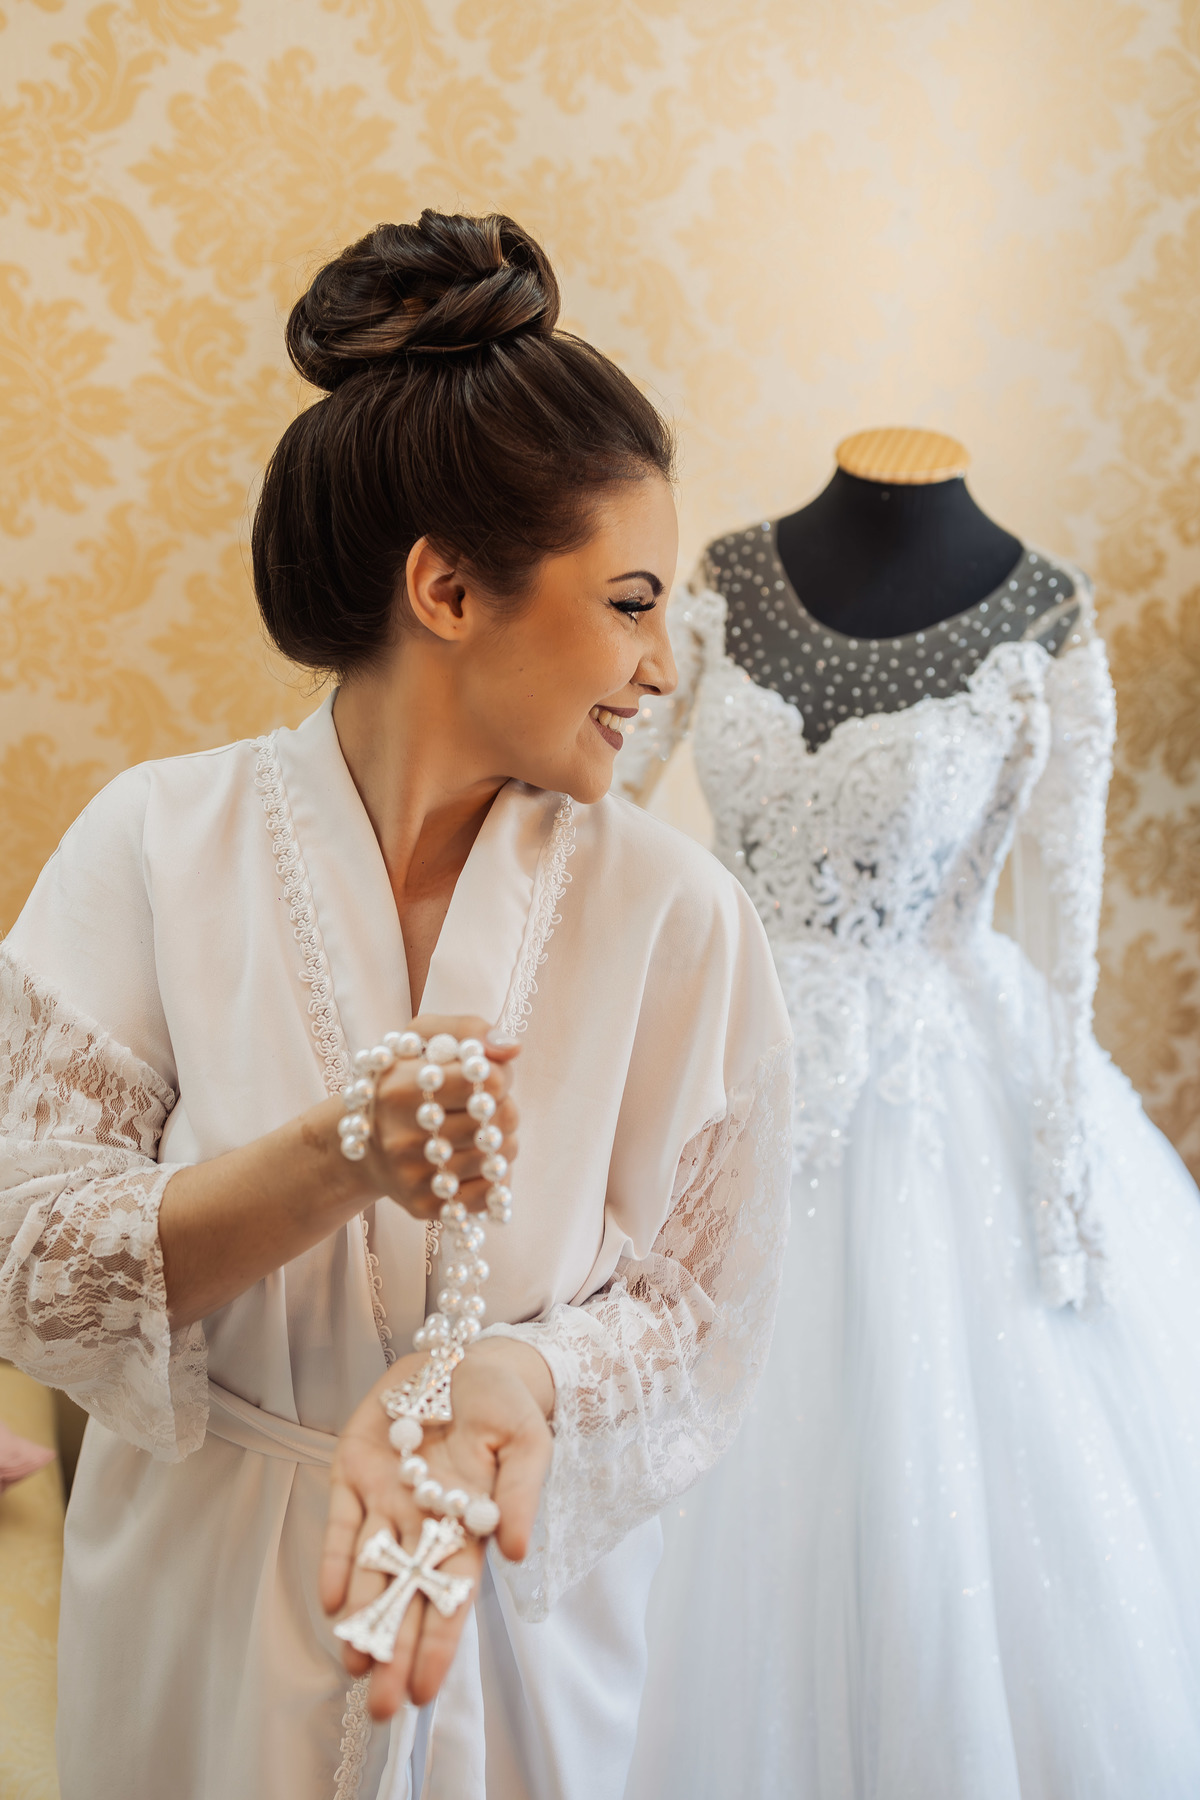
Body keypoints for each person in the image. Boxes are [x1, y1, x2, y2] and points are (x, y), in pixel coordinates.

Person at [0, 211, 793, 1800]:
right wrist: (339, 1155)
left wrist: (509, 1382)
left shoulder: (681, 917)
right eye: (631, 602)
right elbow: (29, 1262)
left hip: (508, 1619)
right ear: (446, 587)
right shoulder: (155, 844)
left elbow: (701, 1314)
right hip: (196, 1596)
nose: (662, 669)